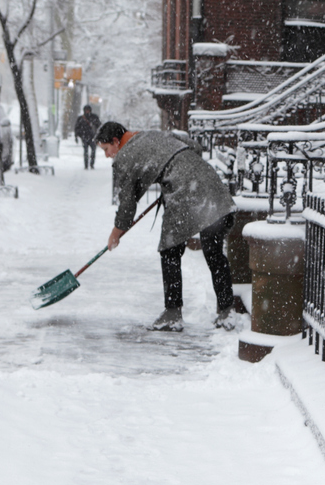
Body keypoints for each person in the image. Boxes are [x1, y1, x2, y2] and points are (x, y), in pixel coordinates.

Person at [95, 121, 237, 331]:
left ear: (116, 142)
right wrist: (177, 170)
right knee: (214, 251)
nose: (108, 155)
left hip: (185, 192)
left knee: (170, 251)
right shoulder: (151, 134)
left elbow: (126, 205)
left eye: (107, 149)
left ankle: (173, 313)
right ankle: (227, 311)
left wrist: (116, 232)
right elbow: (194, 146)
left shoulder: (124, 157)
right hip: (210, 184)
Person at [74, 105, 101, 169]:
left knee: (93, 151)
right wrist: (76, 136)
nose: (87, 111)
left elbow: (99, 126)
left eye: (88, 110)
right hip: (84, 137)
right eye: (86, 110)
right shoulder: (81, 118)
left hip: (93, 137)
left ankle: (91, 164)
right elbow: (77, 128)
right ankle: (86, 165)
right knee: (86, 151)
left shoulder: (94, 117)